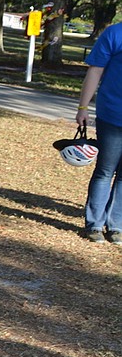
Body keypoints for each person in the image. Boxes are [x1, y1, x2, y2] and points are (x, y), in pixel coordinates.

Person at [76, 19, 122, 243]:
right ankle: (94, 225)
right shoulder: (114, 33)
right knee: (105, 170)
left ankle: (116, 226)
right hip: (112, 114)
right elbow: (95, 71)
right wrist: (83, 107)